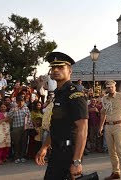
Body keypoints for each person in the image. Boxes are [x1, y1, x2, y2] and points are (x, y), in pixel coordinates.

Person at [35, 52, 88, 180]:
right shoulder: (59, 93)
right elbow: (56, 126)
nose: (56, 70)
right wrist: (45, 146)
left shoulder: (75, 94)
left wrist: (76, 161)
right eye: (53, 67)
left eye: (60, 67)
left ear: (70, 71)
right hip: (56, 151)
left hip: (69, 153)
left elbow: (83, 129)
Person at [98, 80, 121, 180]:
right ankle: (116, 172)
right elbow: (103, 113)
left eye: (111, 87)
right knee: (111, 151)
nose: (110, 89)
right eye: (108, 87)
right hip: (108, 126)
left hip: (118, 125)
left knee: (119, 150)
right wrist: (101, 127)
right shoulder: (104, 98)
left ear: (115, 86)